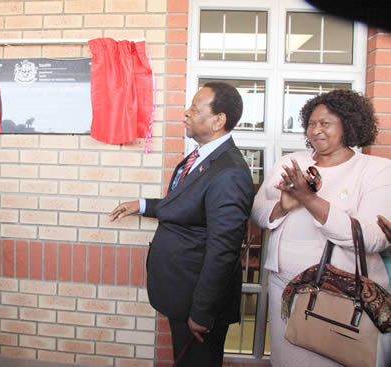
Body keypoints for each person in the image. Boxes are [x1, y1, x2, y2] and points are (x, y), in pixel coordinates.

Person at [110, 82, 254, 366]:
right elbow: (186, 205)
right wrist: (141, 205)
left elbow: (222, 250)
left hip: (199, 302)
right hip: (183, 292)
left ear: (218, 120)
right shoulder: (202, 156)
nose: (185, 113)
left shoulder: (229, 172)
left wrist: (202, 311)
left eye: (194, 109)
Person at [251, 89, 391, 367]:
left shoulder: (375, 170)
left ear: (349, 125)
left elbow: (371, 238)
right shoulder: (291, 163)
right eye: (312, 124)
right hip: (286, 290)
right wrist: (283, 205)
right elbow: (257, 211)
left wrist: (310, 199)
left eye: (325, 123)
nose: (316, 130)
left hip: (342, 296)